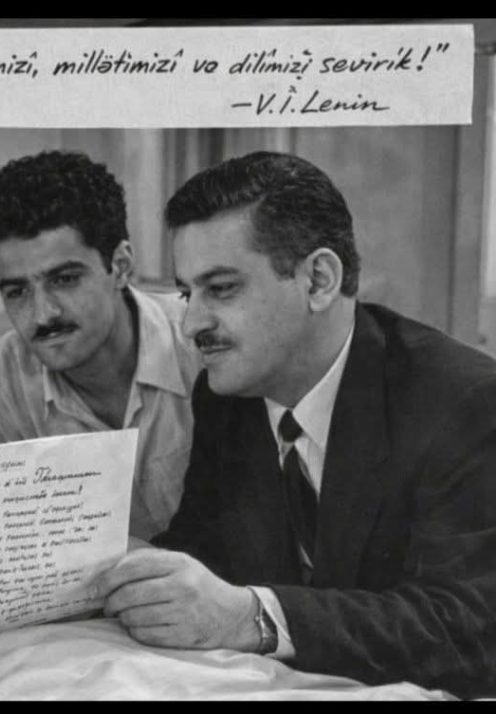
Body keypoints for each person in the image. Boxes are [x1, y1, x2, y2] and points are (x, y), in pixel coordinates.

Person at [92, 151, 496, 698]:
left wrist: (253, 617)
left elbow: (471, 627)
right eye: (187, 293)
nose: (190, 324)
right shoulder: (227, 398)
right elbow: (202, 553)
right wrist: (95, 566)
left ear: (319, 280)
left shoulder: (463, 399)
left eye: (222, 288)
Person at [0, 150, 202, 540]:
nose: (43, 315)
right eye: (17, 291)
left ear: (120, 266)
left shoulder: (201, 346)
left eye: (65, 279)